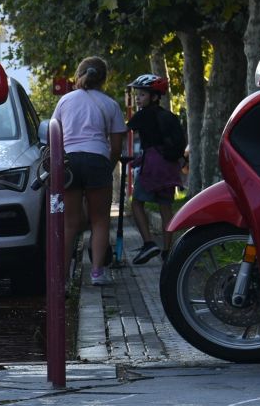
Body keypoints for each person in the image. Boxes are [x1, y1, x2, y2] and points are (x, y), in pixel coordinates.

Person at [51, 56, 125, 287]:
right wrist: (107, 167)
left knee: (70, 223)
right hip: (97, 161)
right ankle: (97, 273)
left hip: (69, 162)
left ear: (78, 74)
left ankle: (61, 278)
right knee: (100, 220)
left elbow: (55, 136)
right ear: (104, 79)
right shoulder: (111, 104)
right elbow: (116, 147)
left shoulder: (65, 101)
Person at [125, 73, 185, 264]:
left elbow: (124, 130)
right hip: (170, 167)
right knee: (166, 207)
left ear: (155, 96)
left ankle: (149, 243)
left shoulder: (143, 115)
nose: (138, 98)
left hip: (152, 165)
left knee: (137, 203)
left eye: (142, 95)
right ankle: (168, 251)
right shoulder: (170, 117)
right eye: (137, 95)